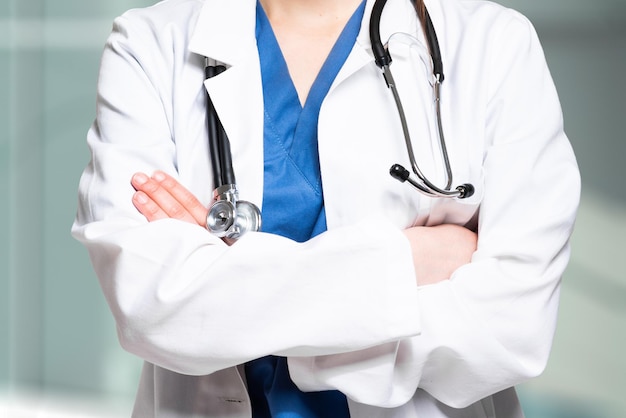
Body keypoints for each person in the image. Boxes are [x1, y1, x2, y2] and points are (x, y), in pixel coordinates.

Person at [71, 0, 580, 416]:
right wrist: (403, 263)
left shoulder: (494, 44)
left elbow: (511, 331)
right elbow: (152, 308)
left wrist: (223, 288)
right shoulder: (150, 44)